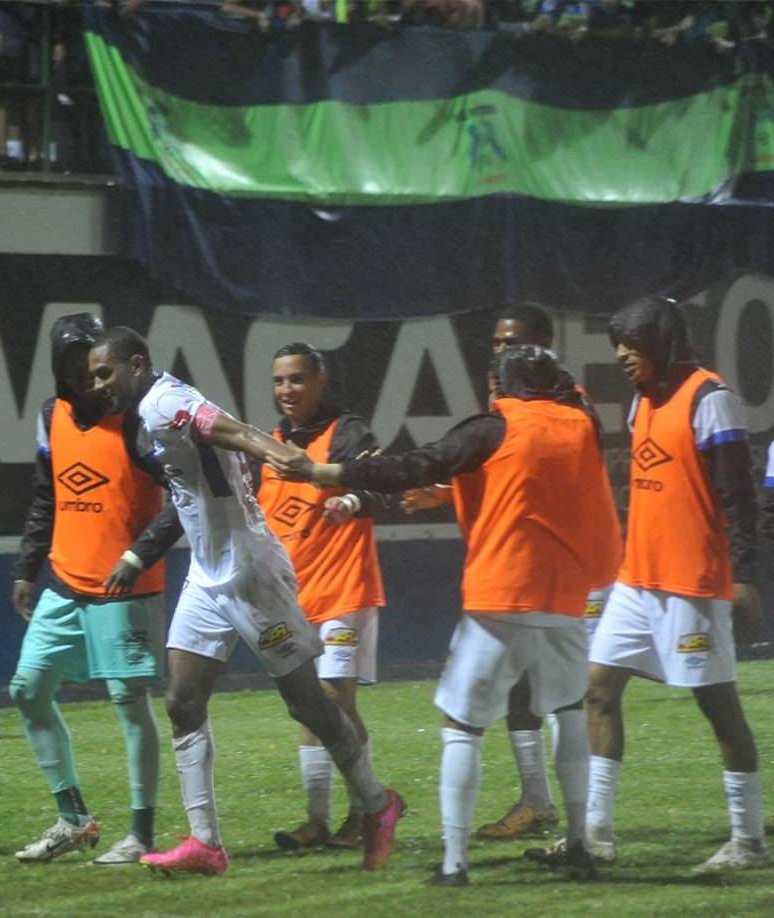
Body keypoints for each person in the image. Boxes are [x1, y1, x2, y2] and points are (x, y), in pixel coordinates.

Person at [271, 345, 623, 886]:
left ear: (499, 385)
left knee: (462, 727)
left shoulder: (494, 426)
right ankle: (580, 841)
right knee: (570, 715)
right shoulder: (579, 423)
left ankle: (455, 863)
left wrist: (325, 470)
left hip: (501, 599)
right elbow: (524, 485)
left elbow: (415, 463)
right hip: (567, 598)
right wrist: (452, 493)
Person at [87, 326, 404, 877]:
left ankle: (379, 805)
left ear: (135, 364)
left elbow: (233, 430)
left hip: (250, 570)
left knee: (308, 704)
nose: (99, 384)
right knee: (182, 700)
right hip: (207, 575)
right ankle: (205, 844)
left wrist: (286, 456)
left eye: (104, 373)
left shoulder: (167, 402)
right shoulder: (147, 412)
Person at [541, 296, 768, 873]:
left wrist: (741, 577)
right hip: (637, 583)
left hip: (693, 585)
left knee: (718, 708)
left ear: (664, 342)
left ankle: (747, 842)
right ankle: (594, 834)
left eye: (634, 344)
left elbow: (738, 498)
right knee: (598, 688)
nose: (622, 354)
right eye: (619, 344)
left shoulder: (710, 399)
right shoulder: (641, 403)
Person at [404, 302, 606, 841]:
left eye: (510, 341)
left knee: (566, 700)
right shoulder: (512, 403)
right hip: (520, 572)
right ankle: (543, 806)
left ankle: (575, 823)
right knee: (531, 693)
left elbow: (554, 488)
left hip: (550, 574)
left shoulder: (568, 406)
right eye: (494, 342)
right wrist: (447, 493)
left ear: (542, 347)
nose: (499, 351)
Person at [9, 314, 182, 865]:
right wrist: (25, 568)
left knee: (130, 707)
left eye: (96, 367)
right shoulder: (49, 416)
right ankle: (74, 819)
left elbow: (183, 497)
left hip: (124, 588)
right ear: (60, 370)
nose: (90, 378)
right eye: (76, 367)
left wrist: (138, 556)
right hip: (64, 579)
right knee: (27, 690)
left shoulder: (138, 421)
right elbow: (46, 497)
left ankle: (142, 834)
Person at [256, 343, 388, 851]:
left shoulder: (348, 432)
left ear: (320, 380)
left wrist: (352, 499)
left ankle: (364, 812)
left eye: (296, 379)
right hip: (292, 597)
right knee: (308, 706)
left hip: (343, 587)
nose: (287, 390)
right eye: (279, 381)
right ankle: (315, 820)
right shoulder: (267, 443)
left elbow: (386, 487)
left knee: (335, 698)